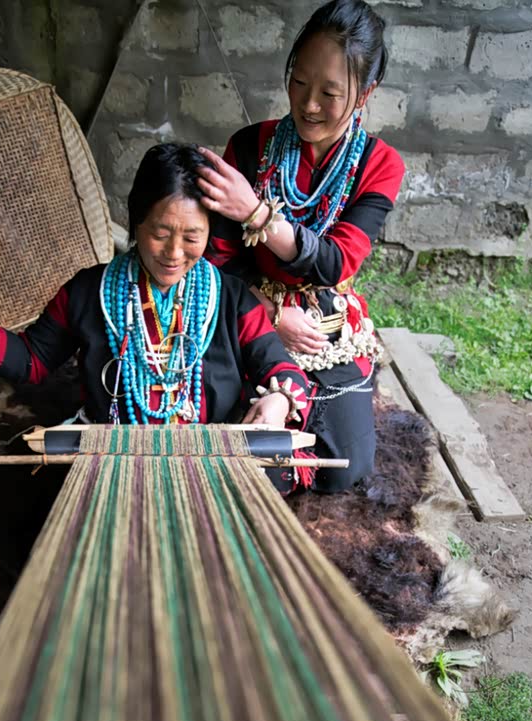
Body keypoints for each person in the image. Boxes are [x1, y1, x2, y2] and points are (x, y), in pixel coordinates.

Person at [0, 143, 311, 439]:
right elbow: (32, 361)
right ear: (136, 222)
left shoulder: (232, 299)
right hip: (114, 452)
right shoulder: (87, 292)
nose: (174, 254)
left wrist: (279, 399)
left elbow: (281, 368)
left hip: (209, 455)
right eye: (160, 234)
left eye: (192, 237)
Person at [197, 0, 405, 492]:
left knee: (343, 470)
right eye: (300, 83)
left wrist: (257, 214)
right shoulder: (249, 147)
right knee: (233, 437)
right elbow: (219, 260)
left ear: (365, 92)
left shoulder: (380, 164)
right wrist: (269, 316)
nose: (309, 104)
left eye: (330, 92)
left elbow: (335, 261)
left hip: (327, 327)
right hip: (249, 313)